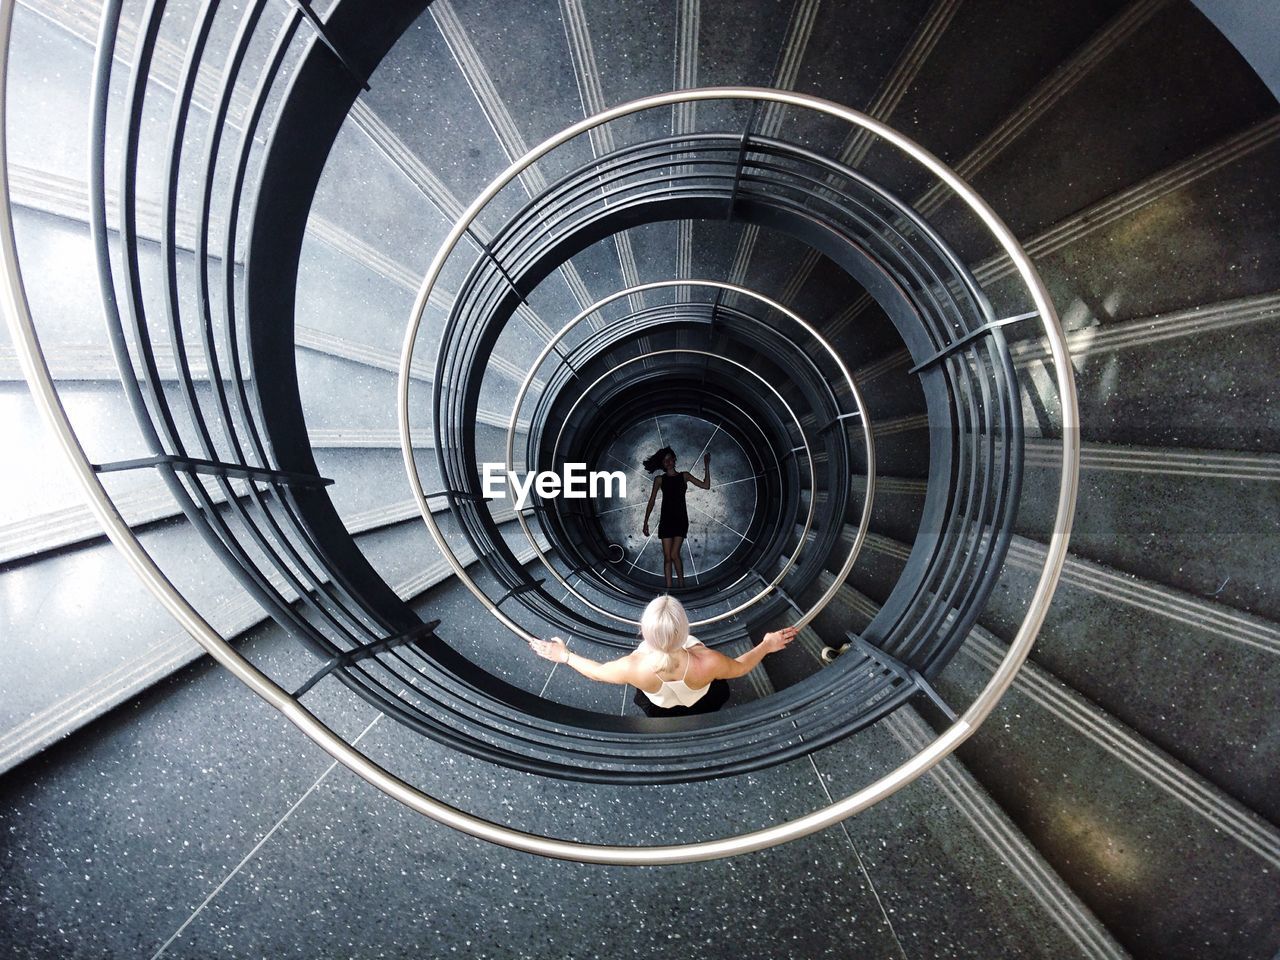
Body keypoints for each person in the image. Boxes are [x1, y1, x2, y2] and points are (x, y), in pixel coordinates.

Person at [528, 595, 797, 717]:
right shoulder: (707, 661)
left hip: (661, 710)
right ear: (685, 631)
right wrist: (766, 645)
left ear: (644, 631)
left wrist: (564, 655)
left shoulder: (634, 667)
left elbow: (597, 673)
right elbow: (739, 667)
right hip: (703, 699)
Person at [641, 446, 711, 588]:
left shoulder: (684, 476)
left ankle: (681, 586)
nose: (667, 462)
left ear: (674, 460)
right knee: (667, 558)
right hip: (666, 520)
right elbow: (652, 500)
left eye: (669, 459)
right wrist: (645, 522)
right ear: (662, 463)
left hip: (680, 520)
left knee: (674, 554)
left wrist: (706, 465)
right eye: (664, 460)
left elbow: (706, 486)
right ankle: (669, 589)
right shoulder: (659, 479)